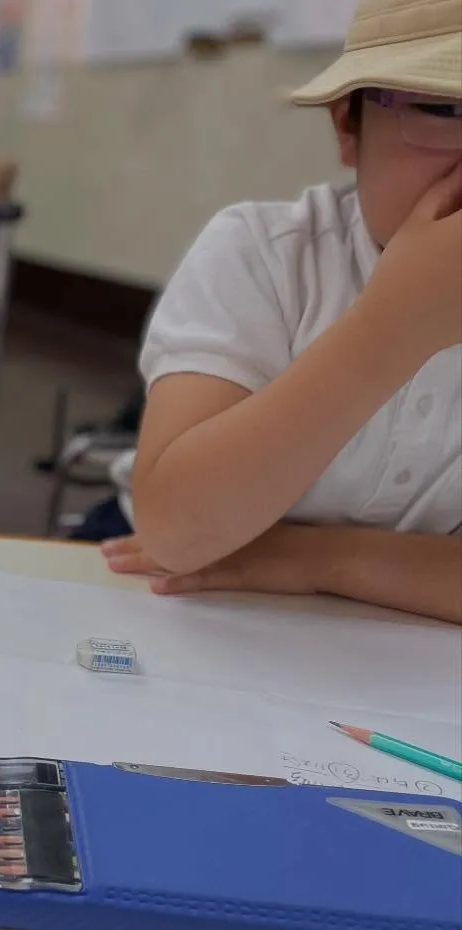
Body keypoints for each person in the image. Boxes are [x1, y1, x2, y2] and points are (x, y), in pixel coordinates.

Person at [102, 0, 461, 627]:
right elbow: (176, 533)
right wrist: (391, 329)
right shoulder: (263, 254)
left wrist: (318, 559)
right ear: (347, 126)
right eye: (444, 110)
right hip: (184, 605)